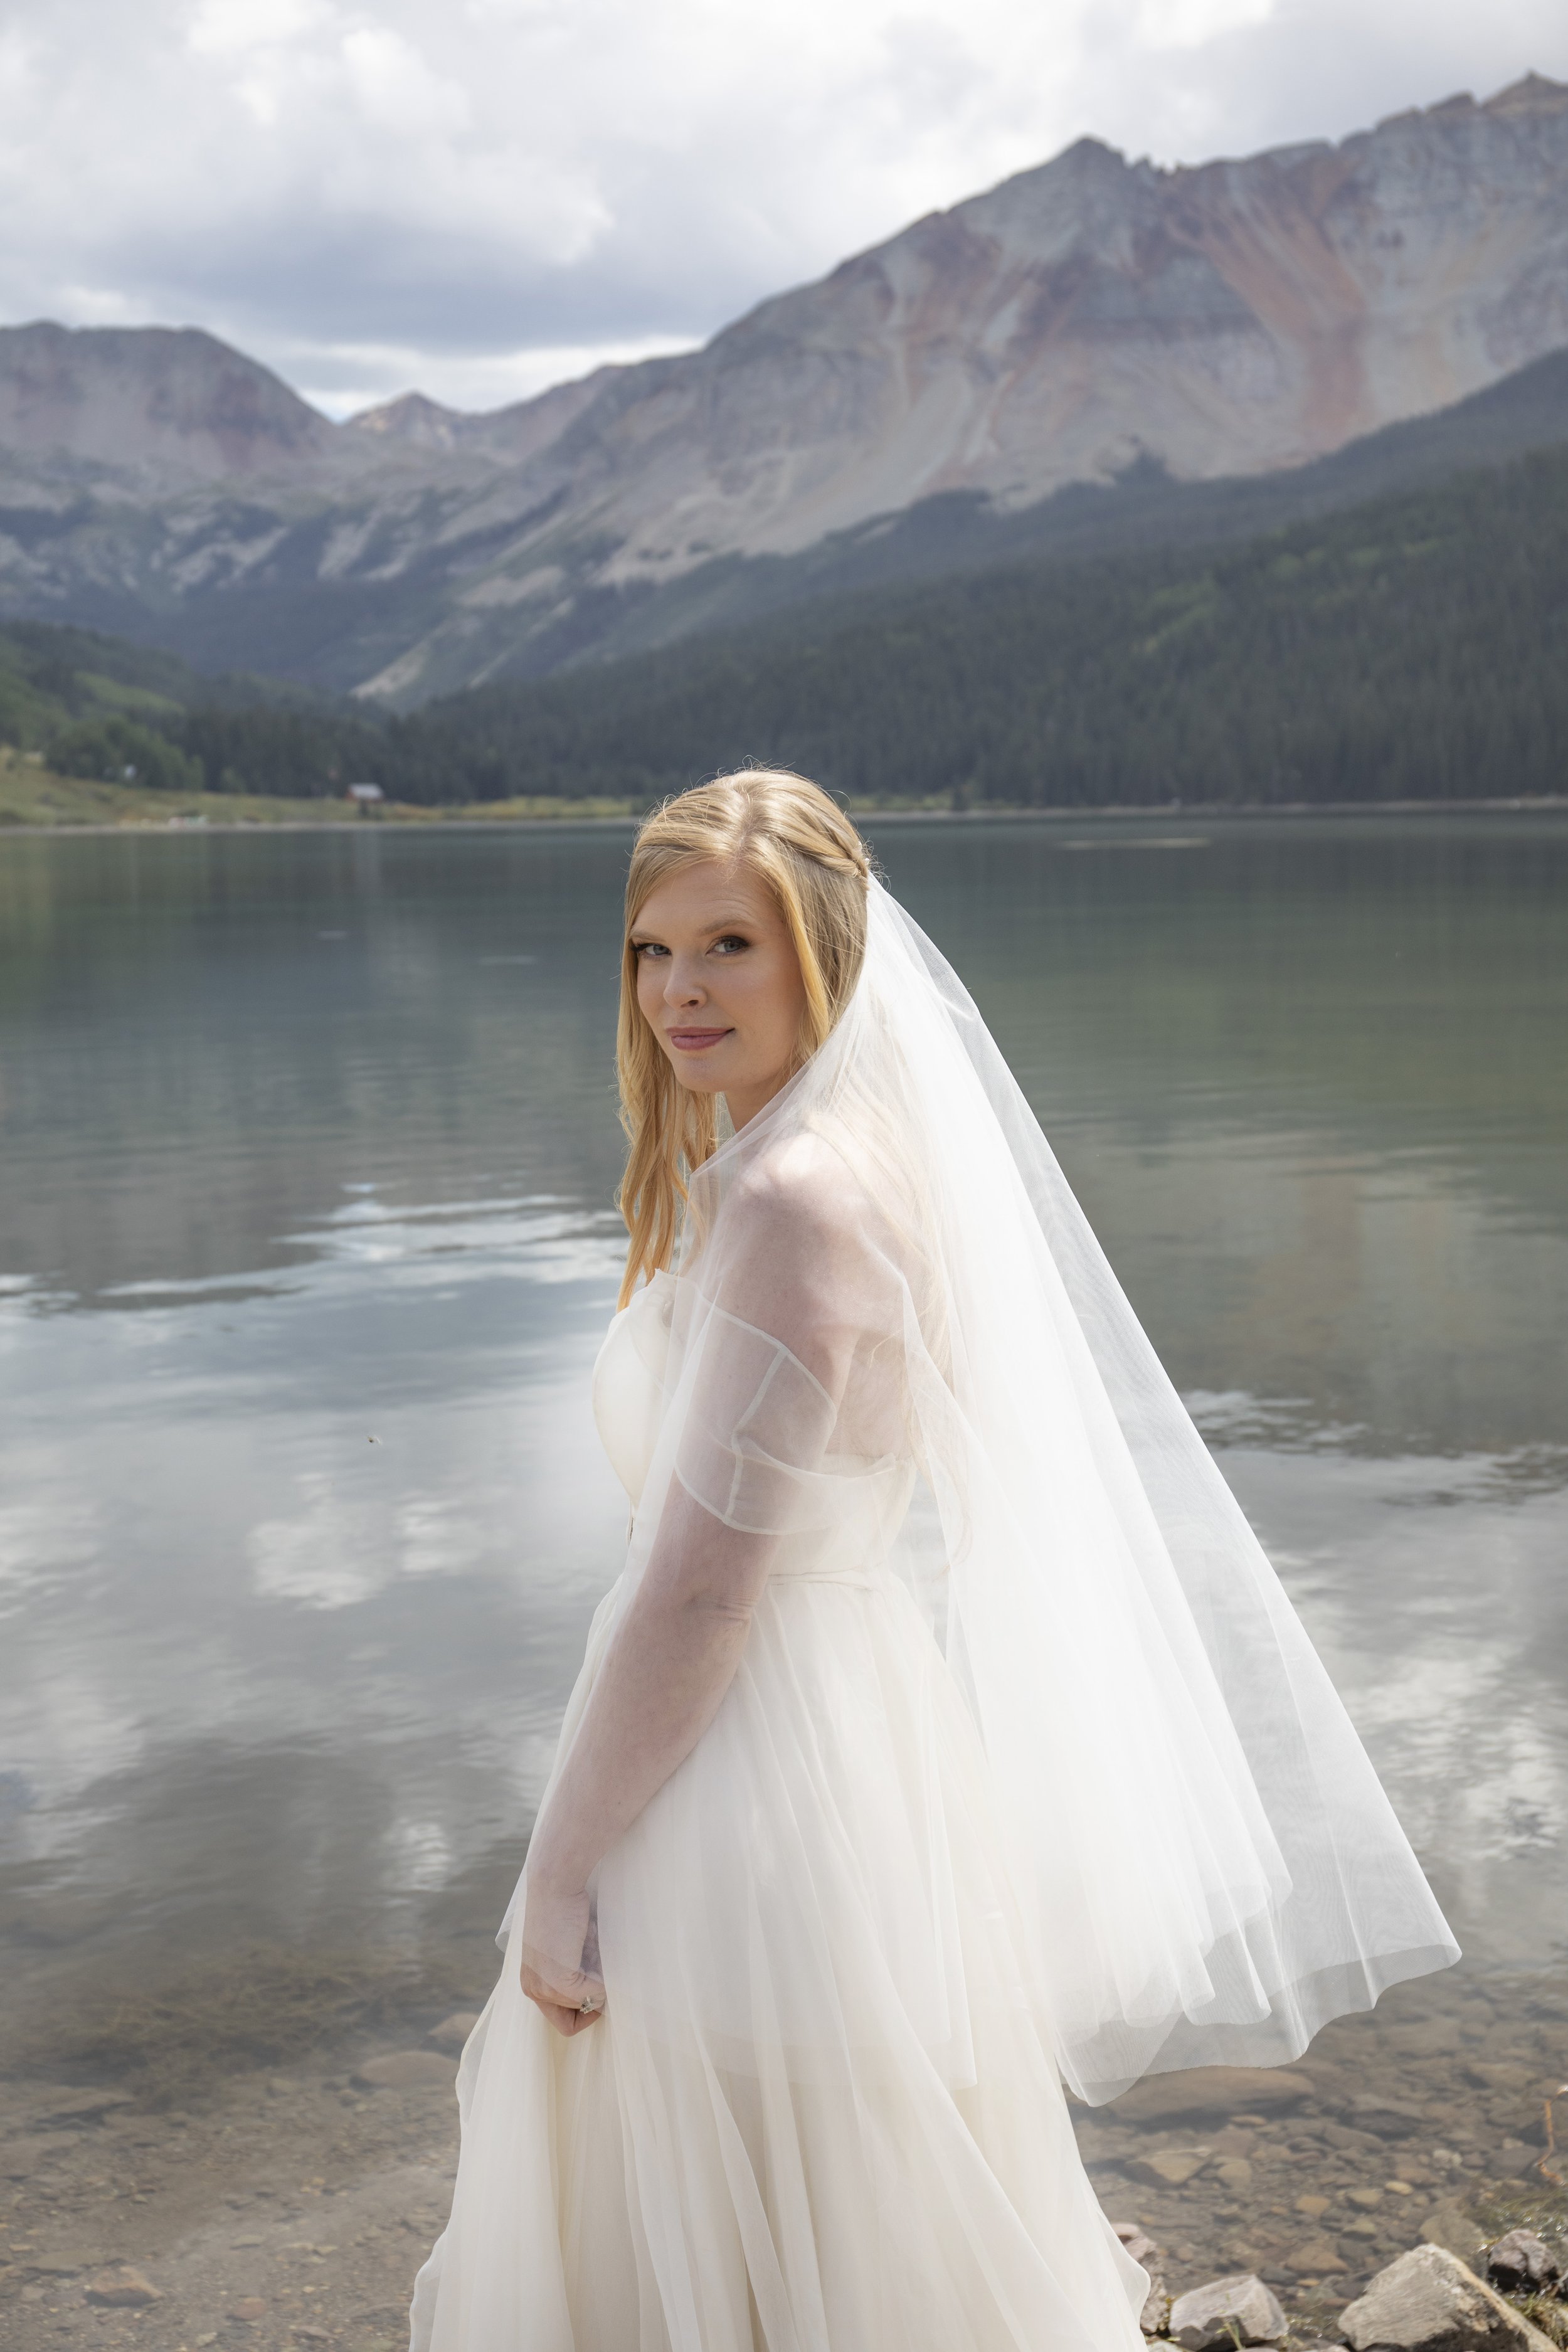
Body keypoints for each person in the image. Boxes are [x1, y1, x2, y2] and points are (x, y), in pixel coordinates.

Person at [410, 771, 1457, 2352]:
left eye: (728, 948)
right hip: (851, 1732)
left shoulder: (785, 1197)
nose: (678, 992)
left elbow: (705, 1586)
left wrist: (556, 1870)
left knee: (738, 2195)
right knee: (838, 2189)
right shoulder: (862, 1156)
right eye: (650, 951)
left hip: (751, 1763)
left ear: (820, 952)